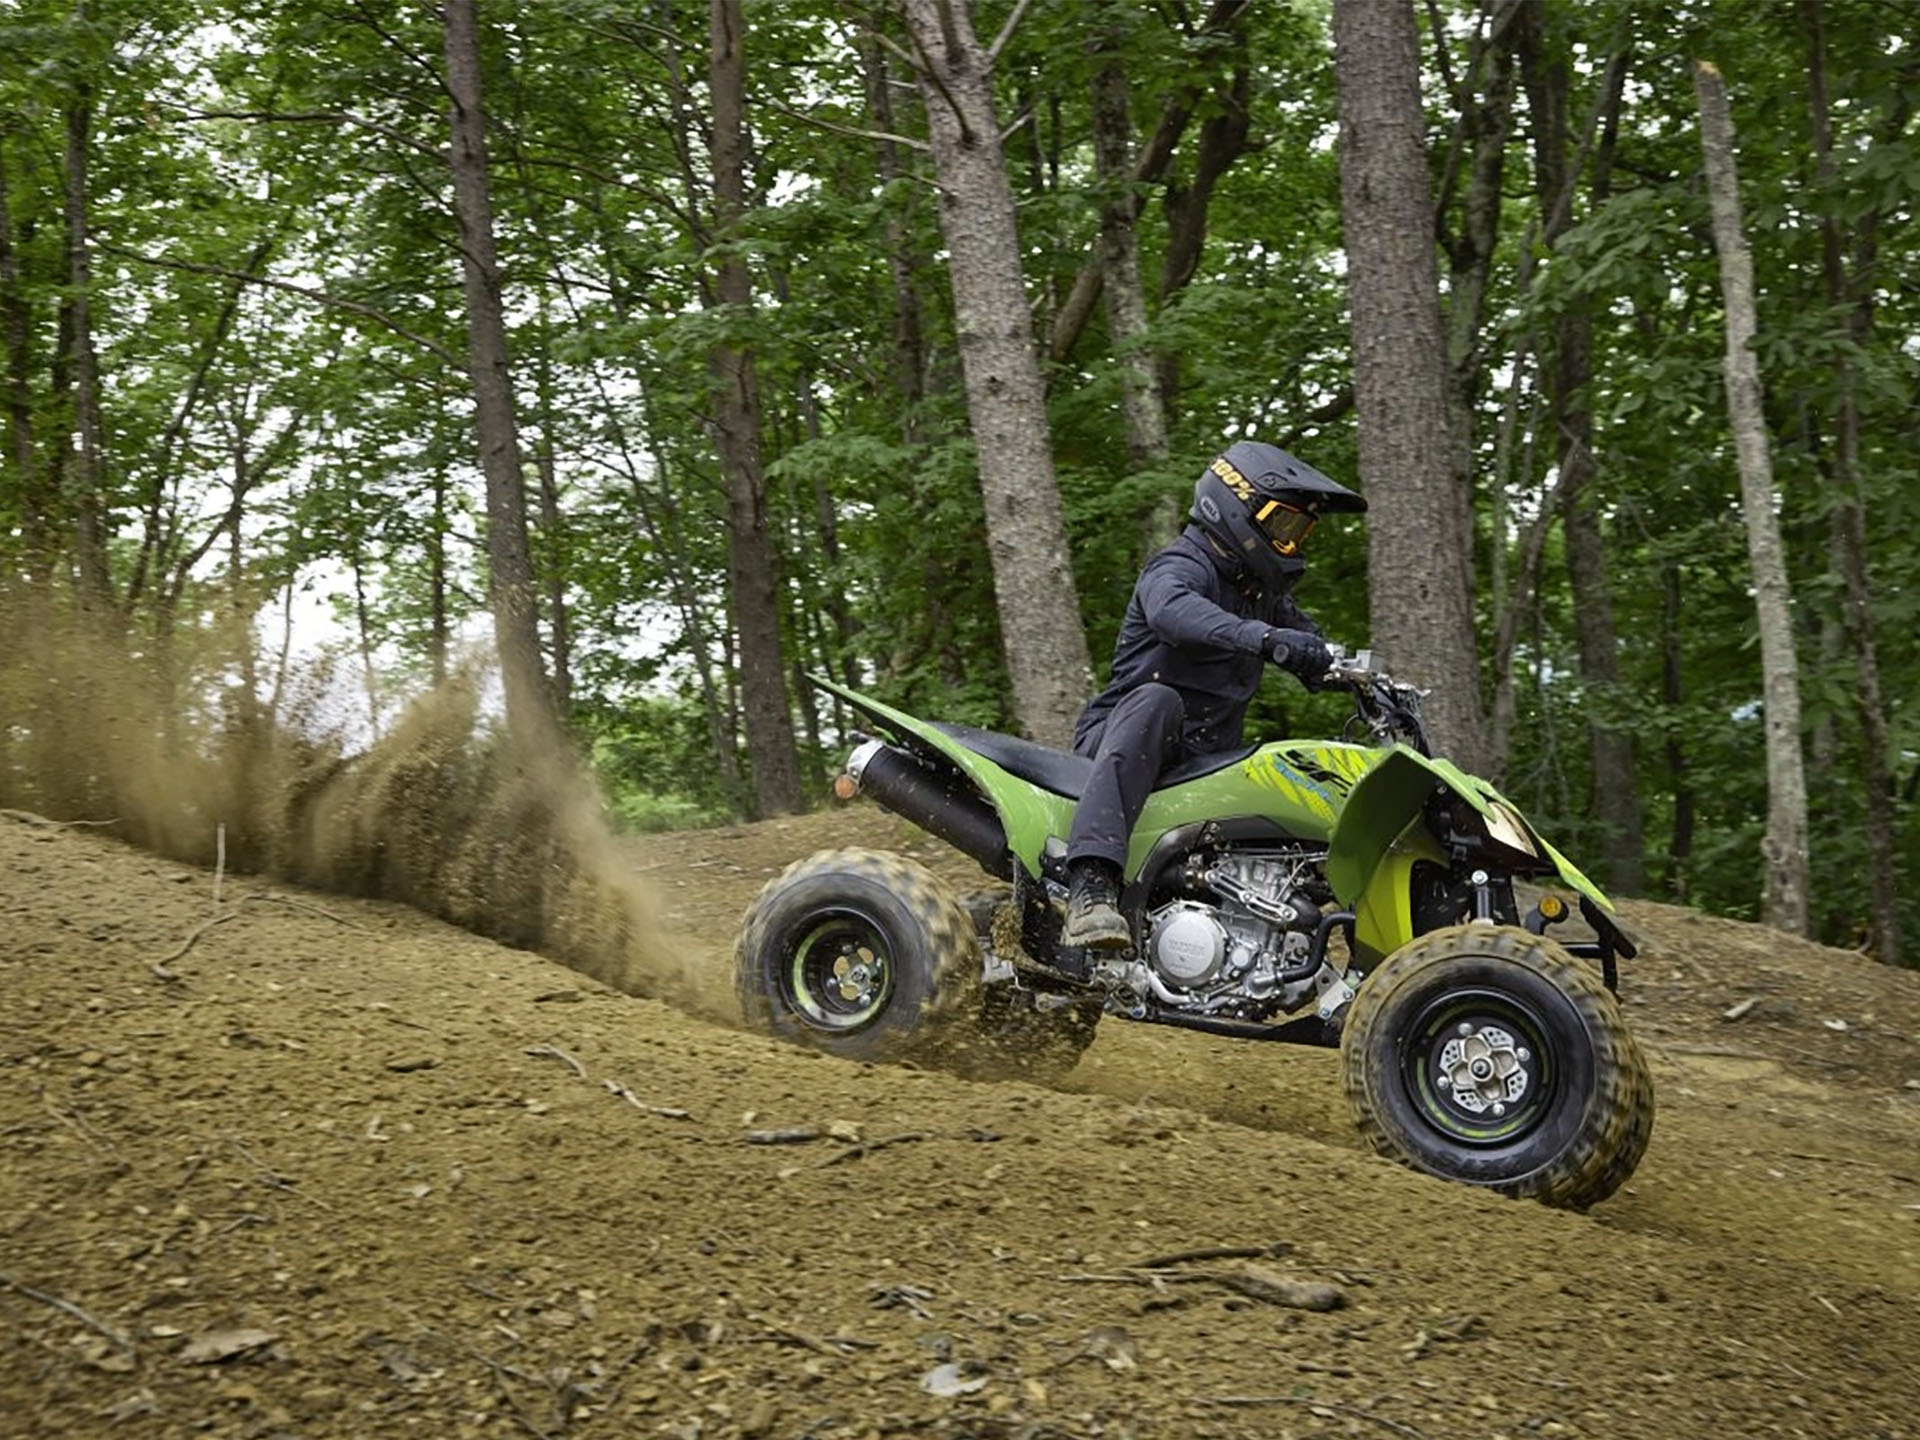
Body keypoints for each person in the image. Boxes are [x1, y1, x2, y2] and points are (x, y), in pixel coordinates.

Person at [1061, 440, 1367, 950]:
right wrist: (1265, 639)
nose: (1290, 542)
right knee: (1160, 700)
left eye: (1300, 532)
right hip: (1126, 740)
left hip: (1203, 759)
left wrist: (1358, 677)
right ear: (1236, 505)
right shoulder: (1180, 566)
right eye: (1283, 526)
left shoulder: (1260, 593)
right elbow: (1172, 611)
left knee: (1284, 772)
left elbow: (1313, 645)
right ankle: (1090, 888)